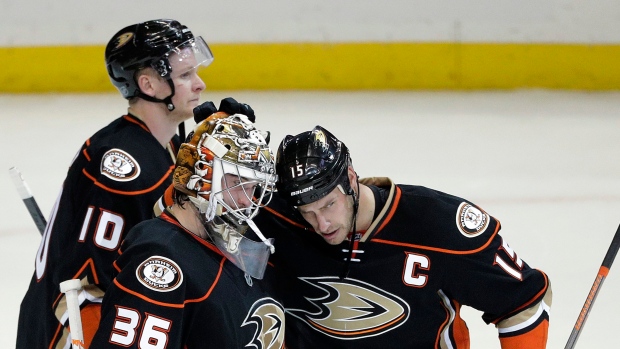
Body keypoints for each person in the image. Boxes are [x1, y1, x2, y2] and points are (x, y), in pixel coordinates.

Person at [253, 125, 552, 348]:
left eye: (329, 204)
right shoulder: (274, 217)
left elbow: (522, 300)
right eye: (307, 212)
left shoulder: (437, 226)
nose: (322, 224)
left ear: (351, 179)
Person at [16, 19, 218, 348]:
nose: (199, 84)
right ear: (149, 85)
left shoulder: (160, 145)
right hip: (66, 335)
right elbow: (85, 284)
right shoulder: (125, 167)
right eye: (185, 76)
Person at [90, 112, 285, 348]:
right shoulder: (160, 259)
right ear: (202, 177)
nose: (247, 201)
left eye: (253, 188)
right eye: (237, 184)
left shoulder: (224, 243)